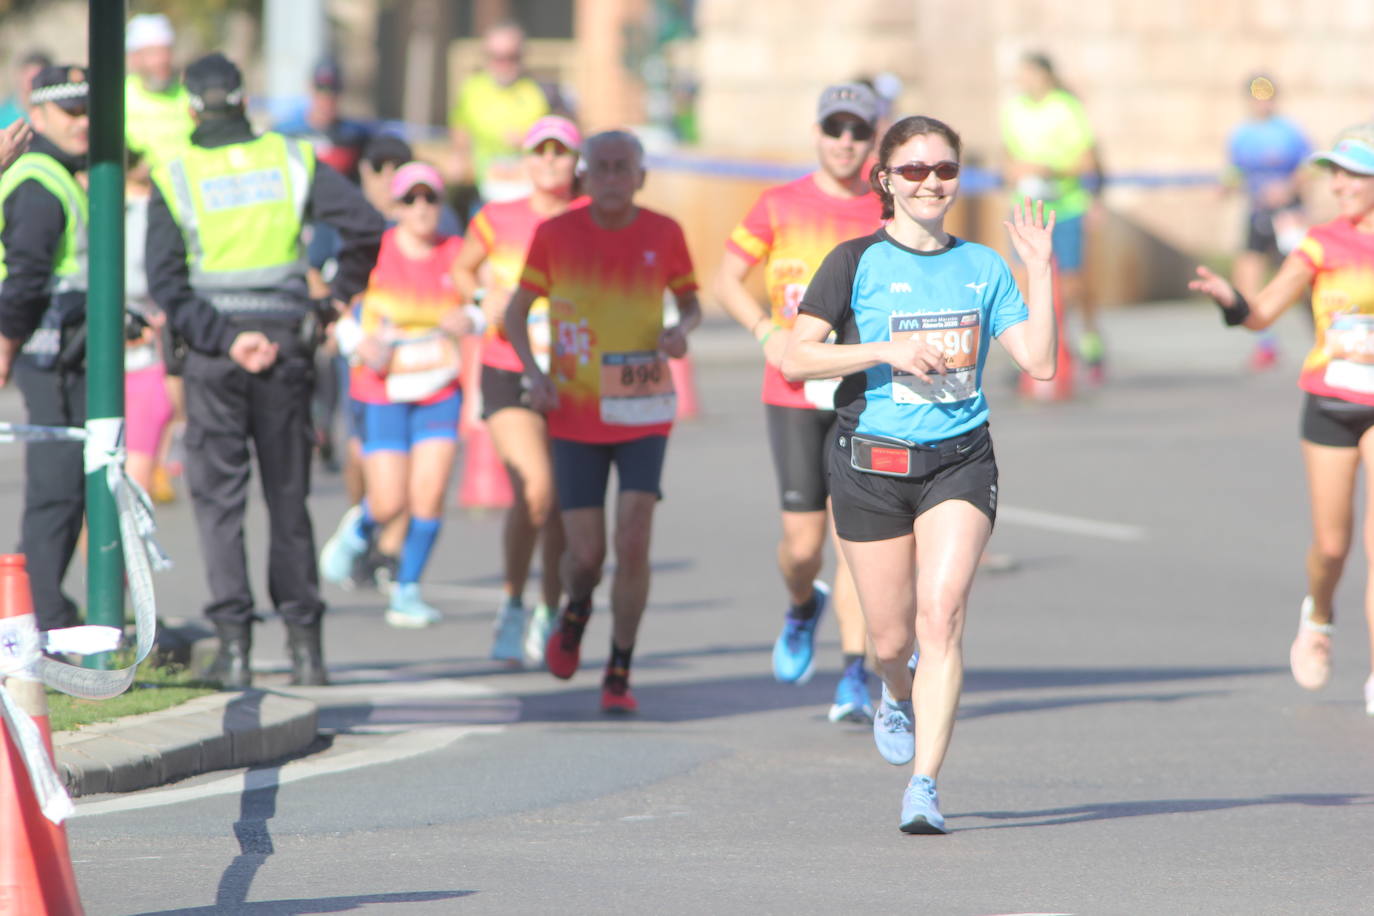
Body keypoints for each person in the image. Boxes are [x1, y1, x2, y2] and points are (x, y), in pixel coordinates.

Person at [782, 115, 1056, 833]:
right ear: (885, 180)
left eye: (944, 170)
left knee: (943, 619)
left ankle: (924, 785)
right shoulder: (854, 262)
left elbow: (1042, 362)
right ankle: (892, 692)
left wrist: (1040, 268)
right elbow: (794, 357)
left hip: (960, 461)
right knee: (890, 641)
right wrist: (884, 352)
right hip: (872, 465)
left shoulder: (983, 266)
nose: (931, 182)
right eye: (913, 171)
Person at [146, 53, 384, 688]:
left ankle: (235, 651)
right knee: (287, 499)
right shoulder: (292, 157)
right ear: (246, 102)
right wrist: (333, 300)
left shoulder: (176, 175)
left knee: (220, 504)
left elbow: (168, 286)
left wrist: (227, 337)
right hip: (287, 344)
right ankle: (307, 651)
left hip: (215, 352)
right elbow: (365, 226)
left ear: (193, 108)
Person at [505, 130, 701, 713]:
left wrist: (680, 331)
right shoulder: (554, 234)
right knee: (586, 556)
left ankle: (619, 669)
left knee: (634, 538)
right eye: (602, 167)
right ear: (584, 176)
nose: (613, 176)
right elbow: (515, 315)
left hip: (643, 407)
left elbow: (691, 302)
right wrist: (535, 374)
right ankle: (577, 607)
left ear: (640, 176)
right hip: (575, 409)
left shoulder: (664, 232)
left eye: (625, 167)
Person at [712, 83, 883, 723]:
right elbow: (726, 277)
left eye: (858, 131)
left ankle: (853, 679)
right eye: (835, 128)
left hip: (863, 392)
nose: (845, 141)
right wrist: (765, 332)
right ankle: (800, 605)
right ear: (816, 133)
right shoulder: (780, 203)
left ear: (873, 139)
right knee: (803, 546)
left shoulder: (884, 208)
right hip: (791, 389)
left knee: (857, 542)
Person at [1191, 122, 1374, 718]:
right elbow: (1263, 311)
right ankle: (1318, 616)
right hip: (1330, 402)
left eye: (1352, 174)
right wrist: (1230, 302)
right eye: (1335, 173)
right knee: (1332, 545)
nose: (1338, 184)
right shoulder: (1321, 243)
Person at [318, 162, 477, 627]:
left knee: (427, 498)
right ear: (396, 206)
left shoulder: (457, 252)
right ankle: (356, 534)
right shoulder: (375, 251)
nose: (422, 208)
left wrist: (470, 319)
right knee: (389, 501)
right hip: (383, 389)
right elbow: (337, 311)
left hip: (438, 389)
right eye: (411, 199)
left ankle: (406, 591)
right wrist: (359, 343)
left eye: (431, 199)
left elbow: (486, 306)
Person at [453, 115, 581, 665]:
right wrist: (482, 301)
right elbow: (462, 270)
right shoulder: (497, 216)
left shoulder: (589, 218)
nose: (550, 162)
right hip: (509, 366)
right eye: (540, 152)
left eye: (561, 153)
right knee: (536, 488)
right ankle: (511, 603)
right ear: (525, 160)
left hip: (575, 373)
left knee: (557, 508)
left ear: (575, 161)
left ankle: (548, 609)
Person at [0, 65, 90, 633]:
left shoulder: (61, 171)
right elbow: (27, 275)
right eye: (70, 113)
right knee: (56, 488)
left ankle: (44, 610)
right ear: (37, 117)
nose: (83, 123)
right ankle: (39, 618)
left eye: (87, 111)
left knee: (67, 484)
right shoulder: (39, 178)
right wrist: (6, 344)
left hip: (59, 347)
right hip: (43, 350)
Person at [1001, 52, 1101, 379]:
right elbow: (1006, 159)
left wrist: (1049, 170)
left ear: (1046, 76)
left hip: (1065, 207)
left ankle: (1083, 336)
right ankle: (1028, 348)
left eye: (1030, 73)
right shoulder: (1014, 109)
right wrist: (1014, 172)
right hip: (1027, 209)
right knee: (1023, 279)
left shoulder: (1066, 108)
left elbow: (1087, 162)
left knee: (1072, 281)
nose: (1024, 80)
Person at [1224, 74, 1312, 371]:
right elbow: (1235, 170)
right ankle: (1266, 344)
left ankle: (1321, 333)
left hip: (1287, 214)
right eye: (1257, 97)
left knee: (1299, 280)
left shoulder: (1289, 131)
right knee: (1247, 278)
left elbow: (1308, 167)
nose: (1262, 102)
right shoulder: (1241, 134)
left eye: (1267, 96)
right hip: (1258, 214)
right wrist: (1226, 186)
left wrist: (1287, 189)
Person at [447, 20, 550, 203]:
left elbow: (546, 143)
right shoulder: (472, 90)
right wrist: (460, 161)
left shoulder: (535, 93)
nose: (504, 64)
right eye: (496, 56)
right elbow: (459, 134)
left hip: (524, 193)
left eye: (511, 57)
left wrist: (525, 142)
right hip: (483, 192)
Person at [123, 152, 174, 496]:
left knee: (129, 491)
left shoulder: (150, 210)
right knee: (88, 494)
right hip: (87, 364)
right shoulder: (79, 203)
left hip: (145, 361)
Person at [274, 59, 372, 185]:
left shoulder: (355, 137)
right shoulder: (287, 133)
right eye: (321, 89)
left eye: (333, 90)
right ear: (310, 88)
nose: (326, 98)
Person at [125, 13, 195, 171]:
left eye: (166, 51)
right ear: (134, 57)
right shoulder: (120, 98)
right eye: (152, 53)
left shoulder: (190, 92)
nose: (161, 60)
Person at [0, 49, 52, 126]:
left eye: (38, 76)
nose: (32, 82)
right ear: (19, 76)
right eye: (29, 76)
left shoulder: (56, 113)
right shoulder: (3, 116)